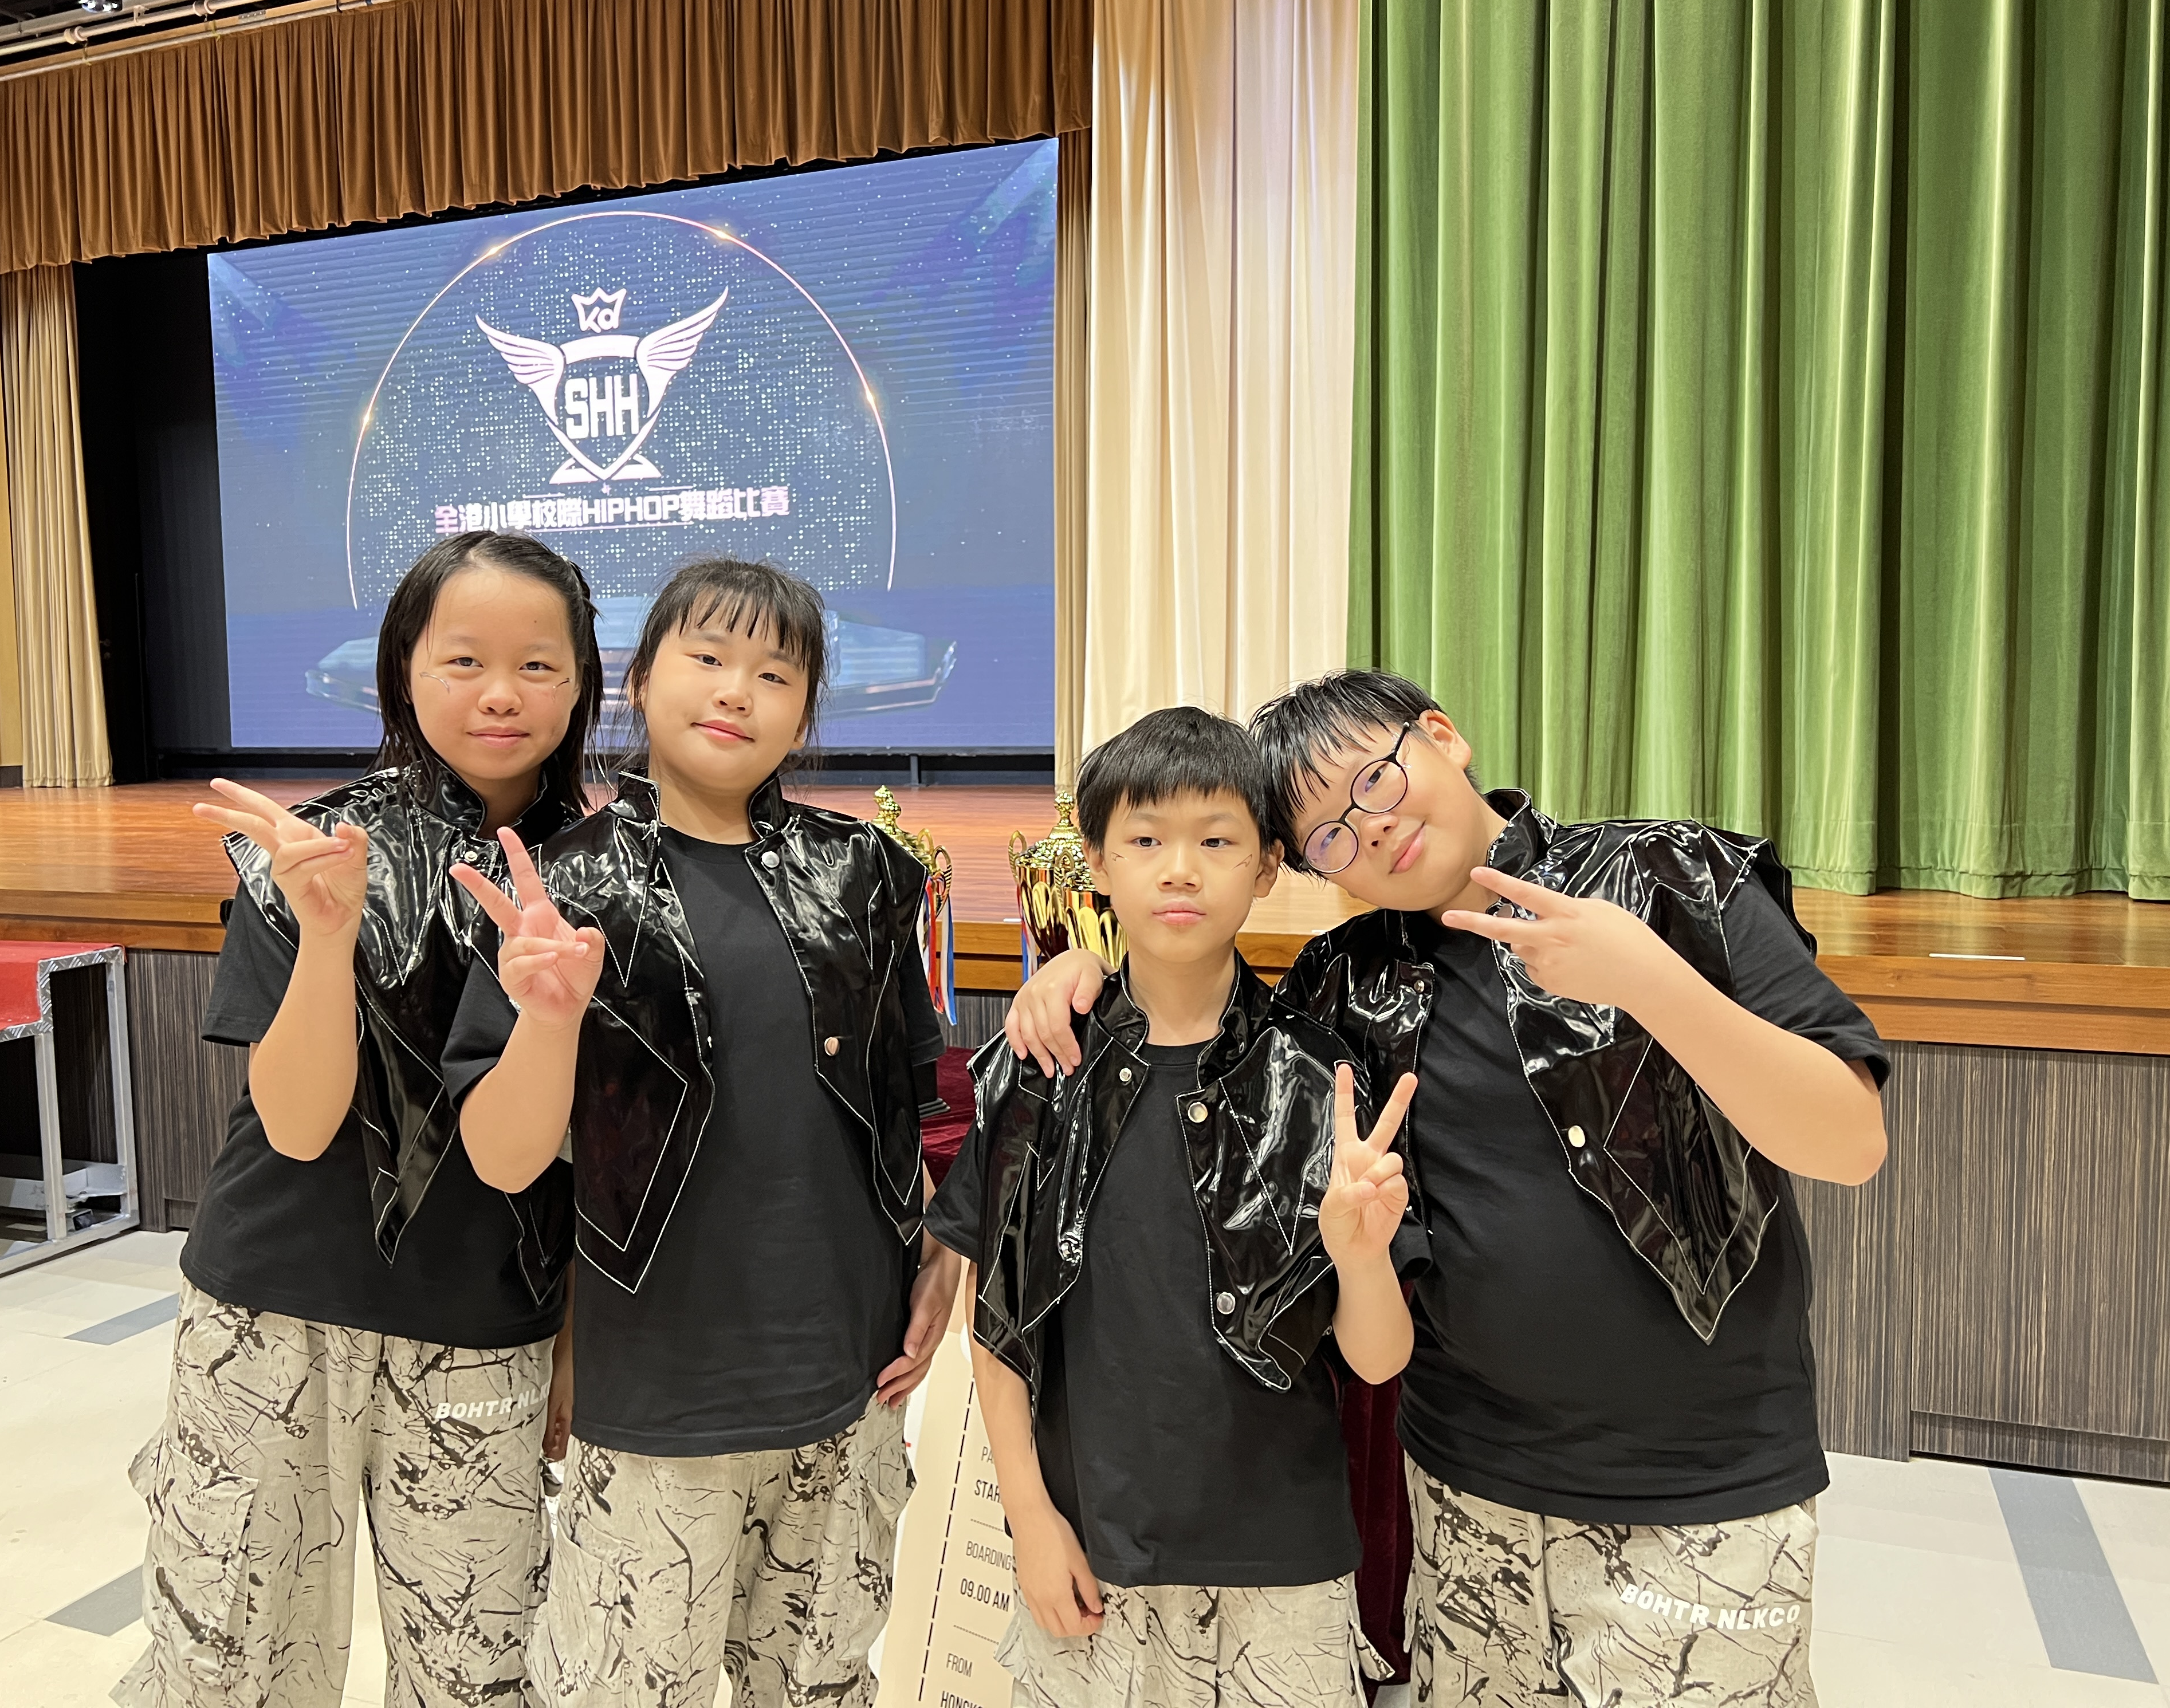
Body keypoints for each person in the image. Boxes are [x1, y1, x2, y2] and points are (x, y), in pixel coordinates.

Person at [1005, 670, 1890, 1708]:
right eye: (1331, 835)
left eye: (1376, 781)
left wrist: (1645, 977)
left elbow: (1850, 1143)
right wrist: (1075, 973)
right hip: (1469, 1486)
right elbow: (1202, 1016)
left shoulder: (1668, 878)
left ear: (1442, 736)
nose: (1371, 829)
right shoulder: (1341, 982)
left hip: (1705, 1482)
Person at [442, 557, 961, 1708]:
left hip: (848, 1384)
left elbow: (911, 1103)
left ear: (806, 712)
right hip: (658, 1394)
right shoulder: (558, 888)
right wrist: (547, 1017)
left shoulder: (866, 872)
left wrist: (943, 1254)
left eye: (775, 674)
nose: (737, 691)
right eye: (709, 657)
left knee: (822, 1685)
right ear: (639, 678)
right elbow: (504, 1159)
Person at [119, 531, 599, 1708]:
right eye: (464, 660)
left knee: (478, 1675)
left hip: (483, 1323)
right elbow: (293, 1125)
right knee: (230, 1666)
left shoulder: (614, 872)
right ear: (402, 671)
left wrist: (576, 1343)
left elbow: (581, 1155)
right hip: (273, 1311)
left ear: (583, 681)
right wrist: (327, 934)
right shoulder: (314, 851)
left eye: (538, 665)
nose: (501, 693)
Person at [928, 706, 1412, 1707]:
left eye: (1217, 842)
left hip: (1284, 1557)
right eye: (1146, 841)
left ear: (1268, 866)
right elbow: (999, 1319)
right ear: (1097, 863)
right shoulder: (1039, 1069)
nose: (1181, 871)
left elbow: (1375, 1361)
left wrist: (1364, 1256)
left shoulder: (1321, 1076)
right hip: (1089, 1547)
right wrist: (1030, 1518)